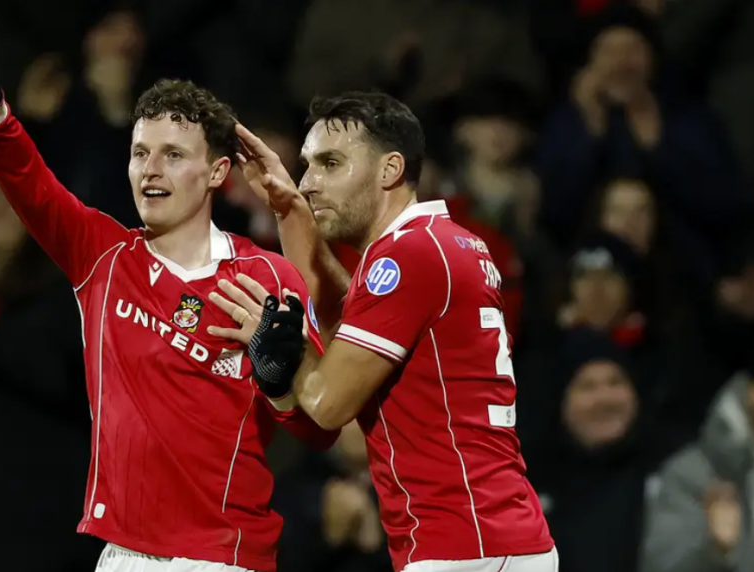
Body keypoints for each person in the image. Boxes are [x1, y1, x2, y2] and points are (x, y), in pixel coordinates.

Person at [0, 9, 339, 572]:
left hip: (224, 555)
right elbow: (30, 182)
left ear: (219, 172)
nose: (150, 170)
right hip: (122, 553)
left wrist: (279, 381)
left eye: (173, 155)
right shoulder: (102, 256)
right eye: (140, 152)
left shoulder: (269, 277)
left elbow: (319, 430)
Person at [208, 92, 557, 571]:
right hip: (489, 537)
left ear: (390, 170)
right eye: (307, 166)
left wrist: (274, 339)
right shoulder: (444, 242)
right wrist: (289, 209)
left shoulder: (405, 256)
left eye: (330, 163)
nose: (310, 182)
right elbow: (348, 314)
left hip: (464, 545)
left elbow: (329, 404)